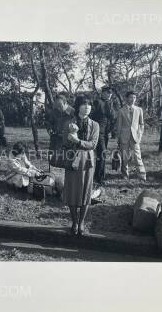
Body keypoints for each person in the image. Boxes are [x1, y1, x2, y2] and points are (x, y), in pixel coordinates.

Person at [62, 95, 99, 236]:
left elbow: (93, 144)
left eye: (89, 104)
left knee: (86, 191)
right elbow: (64, 144)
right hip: (72, 160)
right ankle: (74, 221)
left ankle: (82, 221)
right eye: (84, 104)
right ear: (78, 107)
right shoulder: (68, 123)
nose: (87, 107)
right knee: (72, 189)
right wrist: (71, 139)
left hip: (88, 161)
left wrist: (78, 141)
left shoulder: (95, 124)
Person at [115, 91, 146, 181]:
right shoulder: (121, 111)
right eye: (131, 97)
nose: (133, 99)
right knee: (125, 158)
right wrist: (119, 139)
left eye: (134, 98)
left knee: (137, 156)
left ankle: (142, 175)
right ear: (126, 98)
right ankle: (125, 175)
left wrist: (139, 136)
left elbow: (141, 124)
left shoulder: (139, 110)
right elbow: (119, 126)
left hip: (135, 138)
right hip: (124, 137)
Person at [90, 86, 115, 185]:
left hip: (106, 133)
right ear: (102, 93)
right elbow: (91, 116)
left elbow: (112, 117)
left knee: (102, 155)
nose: (110, 94)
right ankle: (98, 178)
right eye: (108, 92)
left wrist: (110, 130)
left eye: (111, 93)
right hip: (98, 132)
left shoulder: (110, 103)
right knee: (102, 154)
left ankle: (101, 175)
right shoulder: (97, 102)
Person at [45, 94, 75, 167]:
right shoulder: (54, 111)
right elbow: (49, 123)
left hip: (68, 141)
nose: (58, 108)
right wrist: (49, 129)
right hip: (55, 139)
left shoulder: (73, 112)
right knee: (53, 161)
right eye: (56, 105)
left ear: (65, 103)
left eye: (60, 105)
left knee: (66, 161)